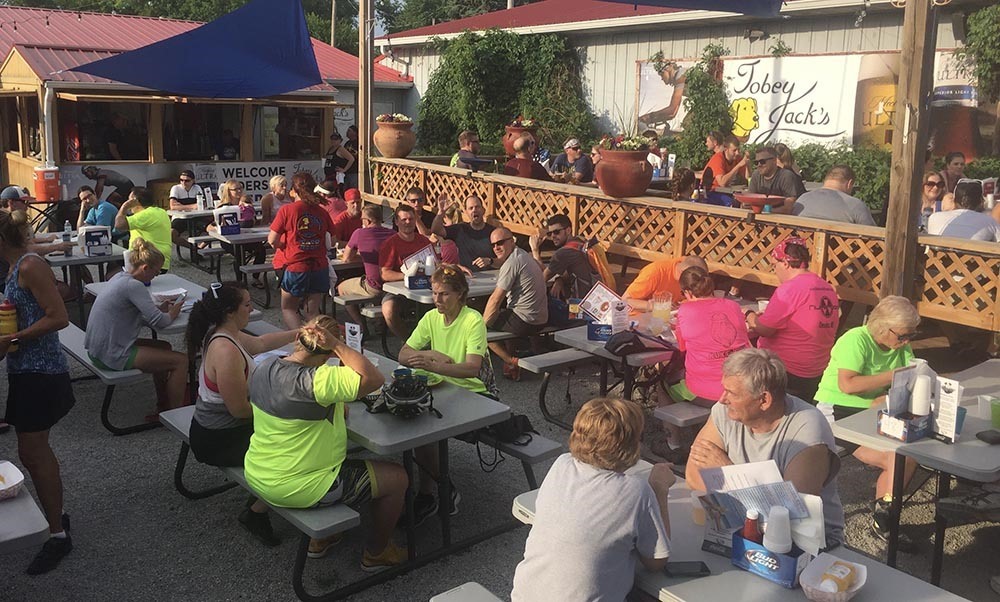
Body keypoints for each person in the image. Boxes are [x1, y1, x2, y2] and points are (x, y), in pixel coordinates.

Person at [243, 316, 408, 569]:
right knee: (397, 477)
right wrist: (338, 346)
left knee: (345, 463)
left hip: (259, 471)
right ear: (328, 351)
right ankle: (377, 552)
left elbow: (330, 409)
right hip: (301, 485)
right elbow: (373, 379)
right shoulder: (320, 380)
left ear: (298, 338)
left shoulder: (263, 367)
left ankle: (324, 538)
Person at [511, 397, 673, 602]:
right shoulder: (636, 490)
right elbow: (657, 561)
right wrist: (659, 489)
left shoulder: (562, 464)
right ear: (632, 445)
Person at [686, 349, 845, 544]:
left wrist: (727, 470)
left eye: (732, 393)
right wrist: (755, 499)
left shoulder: (808, 429)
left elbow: (788, 516)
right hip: (737, 527)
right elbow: (694, 475)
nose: (722, 399)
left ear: (764, 400)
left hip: (806, 544)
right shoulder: (725, 412)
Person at [185, 282, 296, 546]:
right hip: (219, 437)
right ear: (230, 311)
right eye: (247, 304)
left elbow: (260, 343)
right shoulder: (225, 350)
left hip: (217, 427)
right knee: (297, 448)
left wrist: (299, 333)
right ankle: (256, 512)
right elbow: (240, 410)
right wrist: (285, 409)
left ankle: (260, 504)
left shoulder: (224, 331)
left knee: (298, 431)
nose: (252, 307)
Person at [0, 210, 77, 574]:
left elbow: (58, 316)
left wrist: (14, 337)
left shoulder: (29, 266)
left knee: (33, 453)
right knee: (33, 452)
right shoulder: (18, 265)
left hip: (42, 372)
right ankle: (54, 513)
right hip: (26, 370)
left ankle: (58, 534)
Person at [814, 296, 920, 541]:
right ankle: (884, 522)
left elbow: (911, 376)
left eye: (910, 336)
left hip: (875, 409)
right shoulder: (855, 339)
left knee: (907, 456)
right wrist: (892, 379)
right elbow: (847, 385)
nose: (906, 341)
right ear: (883, 327)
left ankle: (884, 515)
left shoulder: (900, 341)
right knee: (897, 456)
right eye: (903, 336)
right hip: (838, 411)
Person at [398, 265, 494, 523]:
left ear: (461, 294)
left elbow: (472, 369)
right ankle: (436, 491)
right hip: (443, 388)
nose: (437, 300)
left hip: (473, 394)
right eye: (435, 293)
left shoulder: (473, 320)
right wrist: (432, 354)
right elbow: (403, 354)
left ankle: (433, 492)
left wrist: (434, 365)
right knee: (414, 421)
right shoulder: (431, 318)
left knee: (422, 428)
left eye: (444, 295)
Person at [84, 238, 188, 416]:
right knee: (181, 361)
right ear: (145, 268)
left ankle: (163, 405)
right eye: (156, 272)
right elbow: (160, 322)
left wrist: (158, 310)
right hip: (112, 353)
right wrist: (173, 312)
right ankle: (175, 416)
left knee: (164, 348)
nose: (156, 276)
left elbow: (135, 314)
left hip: (98, 348)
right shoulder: (134, 286)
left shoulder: (120, 277)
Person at [745, 238, 839, 402]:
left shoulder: (790, 288)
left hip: (787, 372)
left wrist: (749, 314)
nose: (775, 270)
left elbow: (765, 329)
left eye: (774, 265)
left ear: (785, 264)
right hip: (817, 370)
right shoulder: (826, 287)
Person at [670, 266, 751, 407]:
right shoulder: (733, 306)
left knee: (665, 382)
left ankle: (670, 428)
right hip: (743, 386)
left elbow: (682, 348)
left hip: (705, 391)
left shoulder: (685, 310)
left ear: (688, 292)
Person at [268, 172, 335, 329]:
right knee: (312, 311)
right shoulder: (322, 211)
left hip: (295, 266)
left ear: (294, 190)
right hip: (319, 266)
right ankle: (317, 343)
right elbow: (331, 241)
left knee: (288, 308)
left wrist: (282, 246)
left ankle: (301, 341)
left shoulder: (287, 210)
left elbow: (272, 240)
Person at [485, 227, 548, 380]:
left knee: (483, 330)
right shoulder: (523, 255)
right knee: (505, 313)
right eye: (493, 245)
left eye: (500, 243)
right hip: (542, 318)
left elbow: (495, 299)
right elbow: (542, 268)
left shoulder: (512, 262)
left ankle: (512, 361)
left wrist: (481, 325)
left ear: (512, 241)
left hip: (526, 320)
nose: (496, 248)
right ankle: (516, 358)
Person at [379, 204, 434, 340]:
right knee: (388, 309)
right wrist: (408, 277)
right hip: (400, 291)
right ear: (397, 222)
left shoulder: (424, 241)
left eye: (411, 219)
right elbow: (384, 273)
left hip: (426, 289)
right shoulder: (390, 244)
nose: (408, 223)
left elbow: (436, 264)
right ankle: (408, 342)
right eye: (404, 220)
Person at [338, 204, 396, 326]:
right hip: (391, 284)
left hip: (374, 286)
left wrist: (363, 256)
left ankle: (361, 325)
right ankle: (380, 324)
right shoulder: (392, 233)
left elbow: (346, 258)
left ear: (367, 221)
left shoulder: (359, 233)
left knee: (341, 288)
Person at [210, 180, 267, 288]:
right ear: (228, 191)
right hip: (229, 240)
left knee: (261, 249)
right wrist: (218, 228)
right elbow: (211, 225)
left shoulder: (246, 204)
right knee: (239, 253)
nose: (239, 191)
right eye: (236, 189)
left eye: (240, 188)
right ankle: (240, 282)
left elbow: (253, 222)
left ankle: (255, 277)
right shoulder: (223, 207)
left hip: (246, 236)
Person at [528, 213, 596, 299]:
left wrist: (535, 250)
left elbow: (542, 278)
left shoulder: (564, 252)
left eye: (556, 232)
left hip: (581, 301)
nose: (553, 236)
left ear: (568, 230)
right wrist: (559, 279)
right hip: (595, 295)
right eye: (550, 233)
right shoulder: (581, 242)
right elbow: (573, 269)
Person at [792, 165, 876, 225]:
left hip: (805, 248)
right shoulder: (855, 205)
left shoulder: (802, 199)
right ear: (849, 183)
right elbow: (872, 235)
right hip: (841, 249)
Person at [431, 194, 495, 272]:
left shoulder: (493, 232)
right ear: (466, 212)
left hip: (492, 276)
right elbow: (435, 230)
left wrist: (490, 261)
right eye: (471, 208)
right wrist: (440, 213)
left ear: (483, 210)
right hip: (468, 276)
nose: (474, 210)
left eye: (477, 207)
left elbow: (503, 259)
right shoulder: (460, 229)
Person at [114, 186, 173, 271]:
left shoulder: (145, 215)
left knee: (112, 273)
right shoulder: (160, 211)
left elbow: (119, 225)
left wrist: (124, 207)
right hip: (160, 260)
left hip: (147, 261)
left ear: (134, 201)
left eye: (129, 200)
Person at [622, 255, 707, 312]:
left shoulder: (691, 267)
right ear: (682, 273)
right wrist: (655, 306)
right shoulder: (655, 272)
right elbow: (624, 300)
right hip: (641, 320)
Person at [927, 181, 1000, 242]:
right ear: (981, 201)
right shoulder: (989, 221)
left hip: (938, 258)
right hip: (972, 259)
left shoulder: (934, 217)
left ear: (954, 201)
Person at [748, 146, 806, 213]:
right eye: (756, 162)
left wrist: (763, 210)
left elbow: (788, 208)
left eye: (762, 161)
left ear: (774, 160)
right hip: (762, 217)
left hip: (784, 220)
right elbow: (749, 200)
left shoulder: (786, 176)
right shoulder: (756, 175)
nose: (759, 165)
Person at [638, 60, 687, 127]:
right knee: (687, 123)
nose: (661, 78)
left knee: (688, 124)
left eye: (661, 74)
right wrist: (652, 120)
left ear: (669, 69)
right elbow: (672, 114)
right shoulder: (678, 78)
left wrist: (650, 116)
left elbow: (672, 109)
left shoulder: (680, 77)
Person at [343, 125, 360, 189]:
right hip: (347, 171)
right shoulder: (347, 143)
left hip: (355, 171)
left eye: (349, 131)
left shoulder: (359, 143)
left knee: (354, 189)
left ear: (355, 133)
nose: (347, 132)